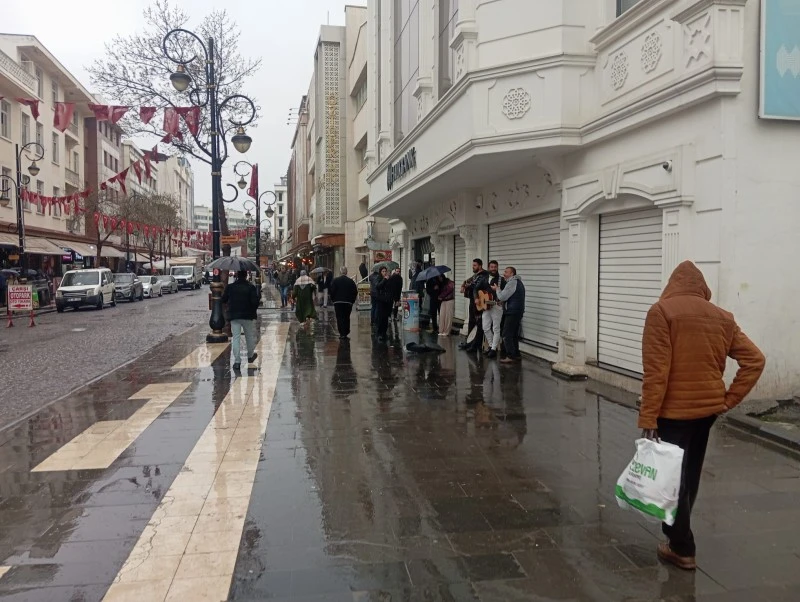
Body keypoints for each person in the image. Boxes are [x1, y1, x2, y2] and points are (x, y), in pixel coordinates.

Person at [638, 260, 765, 571]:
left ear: (672, 285)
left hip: (673, 413)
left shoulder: (661, 312)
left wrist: (648, 418)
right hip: (706, 411)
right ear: (702, 288)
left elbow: (656, 372)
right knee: (688, 474)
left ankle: (682, 547)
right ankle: (676, 536)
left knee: (672, 480)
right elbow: (755, 360)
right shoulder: (722, 317)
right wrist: (728, 400)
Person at [221, 270, 260, 371]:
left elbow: (224, 299)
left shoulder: (230, 287)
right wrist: (252, 310)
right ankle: (250, 356)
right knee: (249, 336)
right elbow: (255, 302)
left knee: (236, 338)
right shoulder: (251, 287)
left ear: (237, 276)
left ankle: (237, 361)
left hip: (234, 315)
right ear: (246, 276)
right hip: (247, 315)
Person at [494, 266, 525, 363]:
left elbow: (502, 296)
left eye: (506, 272)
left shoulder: (512, 282)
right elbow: (512, 296)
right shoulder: (518, 282)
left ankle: (510, 356)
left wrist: (497, 289)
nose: (504, 274)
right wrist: (504, 303)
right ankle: (516, 354)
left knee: (506, 334)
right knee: (514, 334)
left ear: (512, 274)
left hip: (512, 312)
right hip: (517, 311)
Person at [477, 260, 505, 358]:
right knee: (485, 327)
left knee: (496, 328)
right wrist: (477, 298)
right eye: (492, 267)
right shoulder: (484, 278)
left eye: (495, 267)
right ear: (489, 268)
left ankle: (493, 349)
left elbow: (506, 293)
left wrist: (498, 290)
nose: (493, 269)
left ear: (497, 267)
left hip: (496, 305)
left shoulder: (501, 280)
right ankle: (491, 345)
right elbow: (476, 289)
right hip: (486, 306)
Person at [462, 259, 489, 353]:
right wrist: (463, 285)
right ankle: (469, 342)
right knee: (471, 322)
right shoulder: (476, 275)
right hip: (473, 301)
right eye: (473, 265)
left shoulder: (484, 275)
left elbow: (475, 286)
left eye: (475, 265)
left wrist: (468, 285)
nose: (473, 267)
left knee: (478, 323)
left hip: (479, 301)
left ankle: (475, 344)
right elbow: (467, 281)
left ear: (480, 266)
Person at [330, 266, 358, 339]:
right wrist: (352, 301)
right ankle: (345, 332)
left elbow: (332, 291)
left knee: (339, 317)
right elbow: (355, 292)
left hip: (338, 302)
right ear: (346, 272)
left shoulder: (335, 280)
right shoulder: (351, 281)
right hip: (348, 302)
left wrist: (333, 300)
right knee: (346, 317)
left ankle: (341, 333)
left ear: (340, 272)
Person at [372, 266, 393, 341]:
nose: (384, 273)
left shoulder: (389, 279)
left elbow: (391, 289)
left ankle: (384, 332)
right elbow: (378, 286)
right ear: (380, 272)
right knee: (380, 317)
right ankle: (379, 333)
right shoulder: (379, 278)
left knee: (385, 318)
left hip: (387, 300)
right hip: (381, 300)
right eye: (383, 271)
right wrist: (384, 279)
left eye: (385, 271)